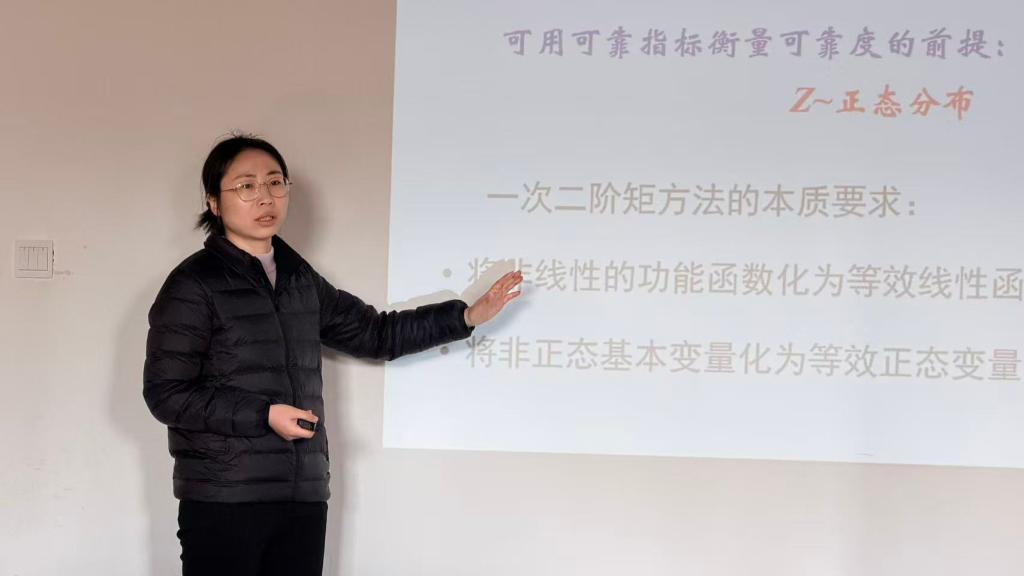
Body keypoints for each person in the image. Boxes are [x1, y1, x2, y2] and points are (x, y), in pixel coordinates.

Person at [143, 134, 522, 575]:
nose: (265, 197)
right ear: (214, 202)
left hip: (301, 497)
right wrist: (263, 415)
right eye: (246, 186)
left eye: (275, 182)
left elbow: (377, 334)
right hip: (224, 498)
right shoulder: (194, 284)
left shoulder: (300, 280)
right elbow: (166, 394)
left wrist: (466, 317)